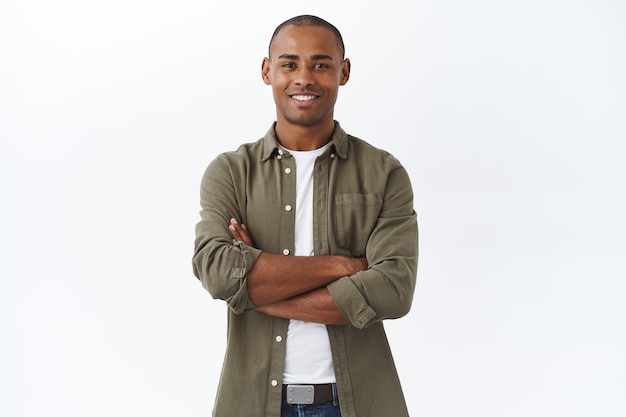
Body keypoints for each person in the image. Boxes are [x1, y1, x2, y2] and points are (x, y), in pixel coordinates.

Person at [192, 14, 418, 417]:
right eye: (289, 63)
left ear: (343, 72)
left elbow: (393, 290)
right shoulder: (230, 172)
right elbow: (218, 272)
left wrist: (256, 290)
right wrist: (342, 266)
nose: (304, 78)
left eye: (320, 64)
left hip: (357, 403)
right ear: (267, 71)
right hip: (254, 402)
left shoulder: (383, 173)